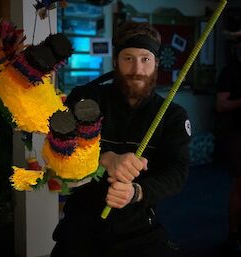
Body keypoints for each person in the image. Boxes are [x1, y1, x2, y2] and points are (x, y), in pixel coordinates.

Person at [50, 21, 191, 257]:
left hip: (138, 225)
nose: (137, 68)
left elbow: (177, 172)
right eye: (128, 58)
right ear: (115, 61)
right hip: (81, 222)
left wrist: (136, 191)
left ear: (156, 64)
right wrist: (106, 158)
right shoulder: (86, 98)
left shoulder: (173, 116)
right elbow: (61, 151)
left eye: (145, 59)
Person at [216, 40, 241, 256]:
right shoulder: (230, 71)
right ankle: (233, 234)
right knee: (240, 185)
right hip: (238, 135)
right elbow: (221, 104)